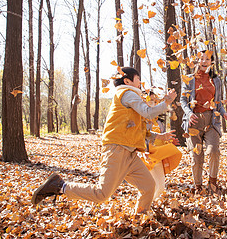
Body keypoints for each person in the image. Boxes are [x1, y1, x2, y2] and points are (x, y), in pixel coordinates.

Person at [31, 67, 177, 214]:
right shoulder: (126, 93)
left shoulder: (132, 97)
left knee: (148, 186)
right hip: (117, 150)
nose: (140, 82)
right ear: (127, 81)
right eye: (138, 79)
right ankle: (59, 186)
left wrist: (159, 136)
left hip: (130, 154)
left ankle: (140, 217)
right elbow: (148, 112)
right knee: (101, 194)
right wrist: (166, 102)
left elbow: (140, 129)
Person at [180, 50, 227, 194]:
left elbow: (218, 103)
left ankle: (212, 183)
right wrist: (189, 113)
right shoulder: (189, 79)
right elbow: (183, 100)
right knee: (197, 157)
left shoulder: (216, 80)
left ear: (211, 62)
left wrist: (224, 114)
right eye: (201, 59)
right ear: (196, 61)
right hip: (194, 122)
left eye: (207, 59)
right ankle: (198, 186)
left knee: (214, 151)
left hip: (212, 121)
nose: (204, 61)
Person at [142, 91, 182, 200]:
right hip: (146, 156)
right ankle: (143, 208)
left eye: (155, 101)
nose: (153, 104)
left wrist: (169, 142)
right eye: (150, 101)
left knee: (160, 187)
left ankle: (150, 204)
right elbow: (140, 136)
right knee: (148, 186)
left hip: (158, 156)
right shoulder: (142, 121)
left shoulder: (159, 123)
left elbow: (163, 138)